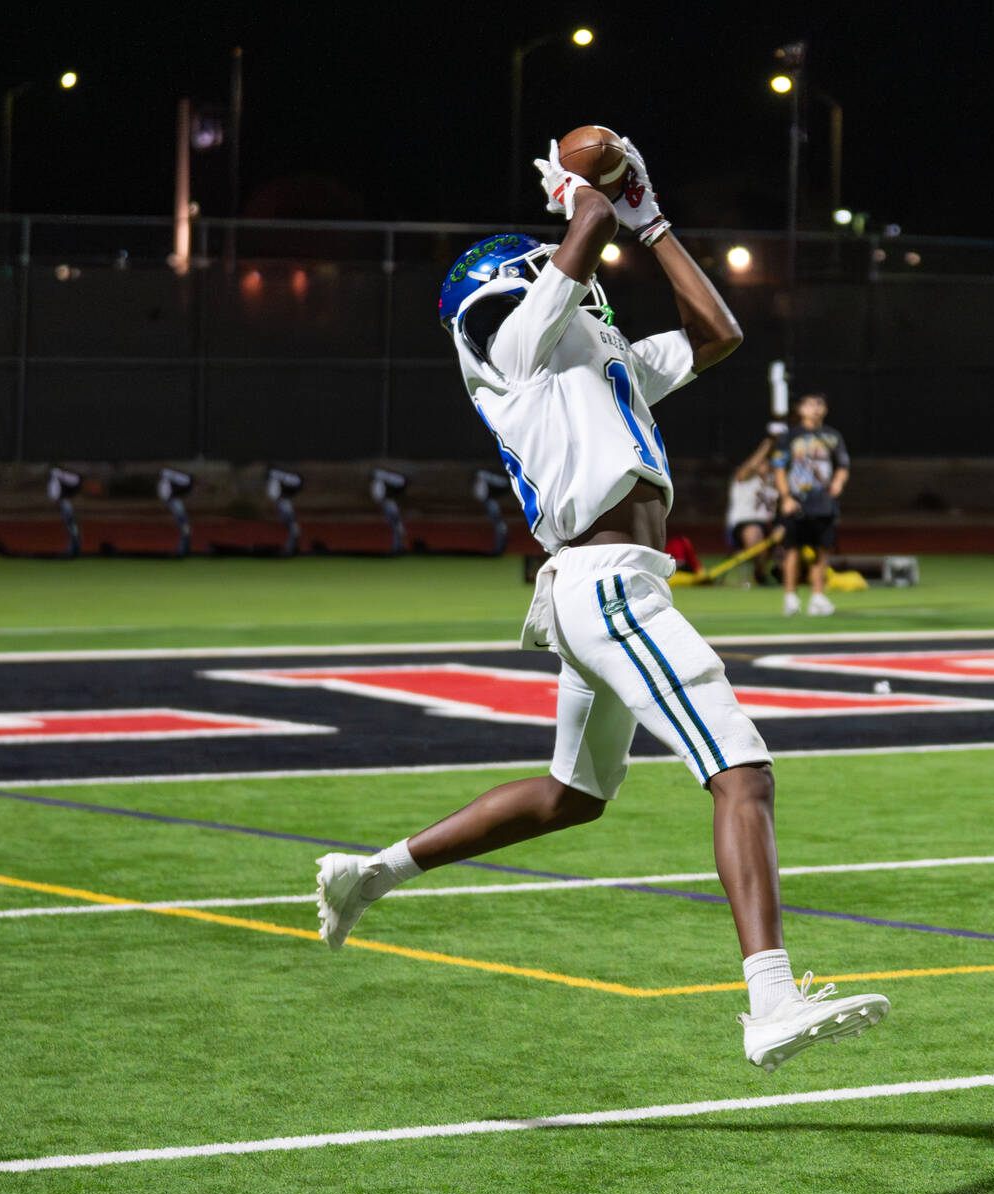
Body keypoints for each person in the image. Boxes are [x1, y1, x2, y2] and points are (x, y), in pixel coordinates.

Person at [315, 138, 888, 1073]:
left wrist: (650, 219)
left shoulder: (597, 351)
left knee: (572, 794)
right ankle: (769, 999)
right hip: (607, 581)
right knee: (740, 768)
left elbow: (717, 336)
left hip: (610, 584)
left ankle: (368, 874)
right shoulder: (509, 352)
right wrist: (590, 194)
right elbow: (578, 236)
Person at [773, 393, 850, 616]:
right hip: (797, 499)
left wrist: (838, 482)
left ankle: (818, 596)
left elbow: (843, 465)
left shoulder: (832, 436)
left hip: (823, 500)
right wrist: (786, 497)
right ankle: (790, 597)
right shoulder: (790, 436)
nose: (815, 408)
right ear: (800, 409)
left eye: (820, 404)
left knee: (822, 549)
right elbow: (779, 468)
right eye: (810, 404)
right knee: (792, 549)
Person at [725, 428, 785, 585]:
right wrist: (769, 443)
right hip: (746, 523)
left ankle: (783, 572)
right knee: (754, 533)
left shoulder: (775, 484)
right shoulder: (744, 478)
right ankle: (760, 574)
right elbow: (752, 465)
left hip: (770, 526)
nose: (765, 465)